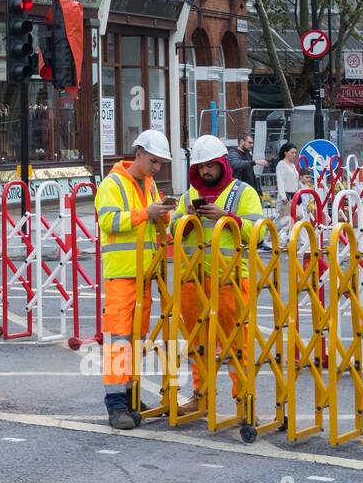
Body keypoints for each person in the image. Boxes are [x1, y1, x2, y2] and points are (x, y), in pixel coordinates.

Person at [170, 135, 264, 417]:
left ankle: (244, 403)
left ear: (223, 164)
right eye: (200, 167)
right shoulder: (189, 197)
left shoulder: (243, 192)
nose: (205, 172)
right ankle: (201, 396)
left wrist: (225, 216)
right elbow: (170, 233)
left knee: (238, 346)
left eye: (210, 166)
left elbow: (258, 231)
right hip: (193, 280)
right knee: (197, 344)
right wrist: (186, 221)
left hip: (231, 280)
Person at [94, 129, 173, 431]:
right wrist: (146, 213)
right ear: (138, 153)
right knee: (119, 339)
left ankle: (130, 395)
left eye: (160, 164)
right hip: (122, 274)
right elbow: (109, 221)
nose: (156, 168)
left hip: (144, 273)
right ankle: (116, 404)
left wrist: (166, 212)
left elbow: (152, 221)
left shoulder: (150, 184)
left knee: (136, 339)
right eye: (153, 161)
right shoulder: (112, 183)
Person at [227, 132, 266, 197]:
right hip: (238, 191)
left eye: (252, 143)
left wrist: (257, 189)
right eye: (249, 142)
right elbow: (236, 164)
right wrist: (254, 162)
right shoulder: (233, 153)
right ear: (242, 141)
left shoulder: (248, 154)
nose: (252, 145)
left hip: (249, 190)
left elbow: (251, 174)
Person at [276, 142, 301, 243]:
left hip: (294, 195)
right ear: (286, 153)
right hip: (286, 196)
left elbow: (296, 179)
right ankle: (272, 235)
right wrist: (283, 196)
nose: (294, 155)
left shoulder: (292, 165)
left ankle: (285, 236)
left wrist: (299, 191)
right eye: (292, 152)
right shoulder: (281, 164)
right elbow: (280, 180)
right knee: (283, 219)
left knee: (297, 216)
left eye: (295, 153)